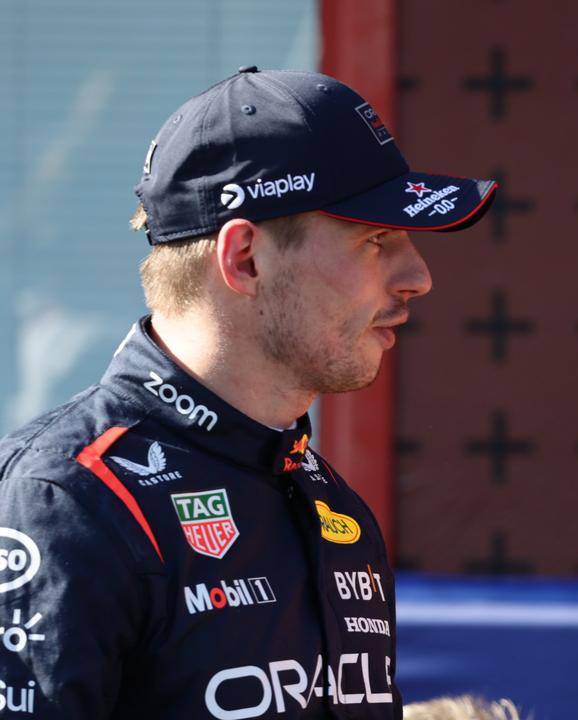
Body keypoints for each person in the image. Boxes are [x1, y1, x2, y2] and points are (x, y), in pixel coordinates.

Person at [0, 66, 495, 717]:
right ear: (245, 260)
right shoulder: (64, 504)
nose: (417, 277)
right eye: (376, 240)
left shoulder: (328, 502)